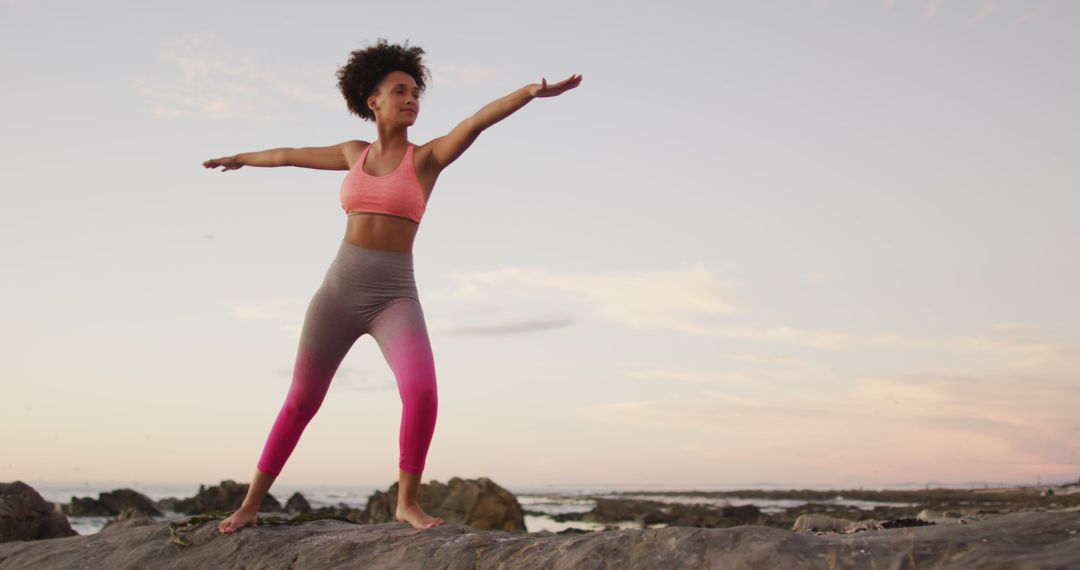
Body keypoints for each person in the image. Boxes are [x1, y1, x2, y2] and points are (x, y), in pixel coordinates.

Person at [202, 38, 582, 533]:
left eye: (415, 93)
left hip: (394, 297)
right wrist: (242, 157)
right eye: (399, 91)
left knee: (422, 391)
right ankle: (251, 503)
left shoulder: (426, 159)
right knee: (300, 400)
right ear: (372, 101)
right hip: (338, 292)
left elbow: (476, 121)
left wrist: (529, 92)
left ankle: (407, 502)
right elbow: (289, 154)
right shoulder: (351, 152)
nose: (411, 100)